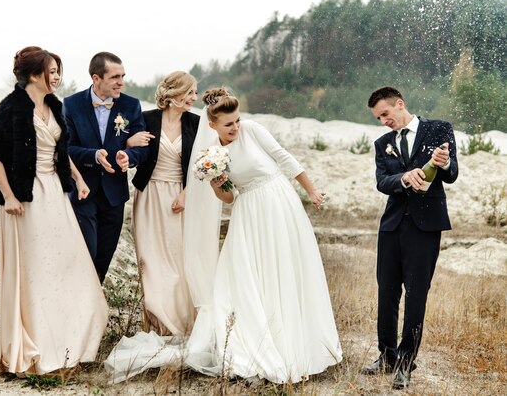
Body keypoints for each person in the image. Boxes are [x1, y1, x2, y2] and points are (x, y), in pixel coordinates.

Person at [105, 87, 342, 384]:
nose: (235, 128)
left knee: (284, 266)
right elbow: (227, 199)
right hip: (248, 211)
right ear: (212, 125)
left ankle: (297, 341)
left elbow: (285, 159)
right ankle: (250, 343)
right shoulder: (211, 155)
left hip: (279, 202)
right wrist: (218, 183)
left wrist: (311, 190)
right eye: (228, 124)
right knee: (244, 275)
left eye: (237, 121)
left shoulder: (253, 130)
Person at [0, 47, 108, 376]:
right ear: (35, 74)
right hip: (24, 198)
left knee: (66, 265)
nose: (57, 77)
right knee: (35, 269)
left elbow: (59, 150)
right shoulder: (11, 107)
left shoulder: (55, 105)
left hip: (55, 192)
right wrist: (8, 196)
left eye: (58, 71)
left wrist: (78, 180)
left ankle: (68, 341)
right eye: (52, 71)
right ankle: (36, 343)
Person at [361, 86, 458, 389]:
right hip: (391, 226)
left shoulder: (438, 129)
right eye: (378, 118)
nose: (383, 122)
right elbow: (381, 182)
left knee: (416, 294)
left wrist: (442, 164)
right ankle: (386, 356)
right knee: (387, 292)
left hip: (425, 226)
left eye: (385, 115)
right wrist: (403, 178)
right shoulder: (382, 143)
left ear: (399, 104)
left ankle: (405, 363)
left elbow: (452, 173)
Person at [126, 71, 199, 336]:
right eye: (190, 92)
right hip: (148, 195)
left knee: (178, 261)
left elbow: (202, 166)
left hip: (179, 197)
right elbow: (130, 151)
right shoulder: (145, 119)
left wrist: (187, 193)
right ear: (175, 94)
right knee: (151, 261)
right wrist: (128, 142)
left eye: (194, 92)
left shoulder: (196, 124)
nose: (194, 97)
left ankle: (180, 324)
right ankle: (157, 325)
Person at [63, 52, 147, 283]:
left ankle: (91, 307)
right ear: (96, 78)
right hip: (83, 191)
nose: (121, 82)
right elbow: (65, 148)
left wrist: (128, 157)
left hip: (114, 194)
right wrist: (93, 155)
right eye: (115, 77)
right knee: (86, 253)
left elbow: (142, 145)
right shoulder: (72, 105)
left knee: (103, 258)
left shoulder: (131, 105)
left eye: (123, 76)